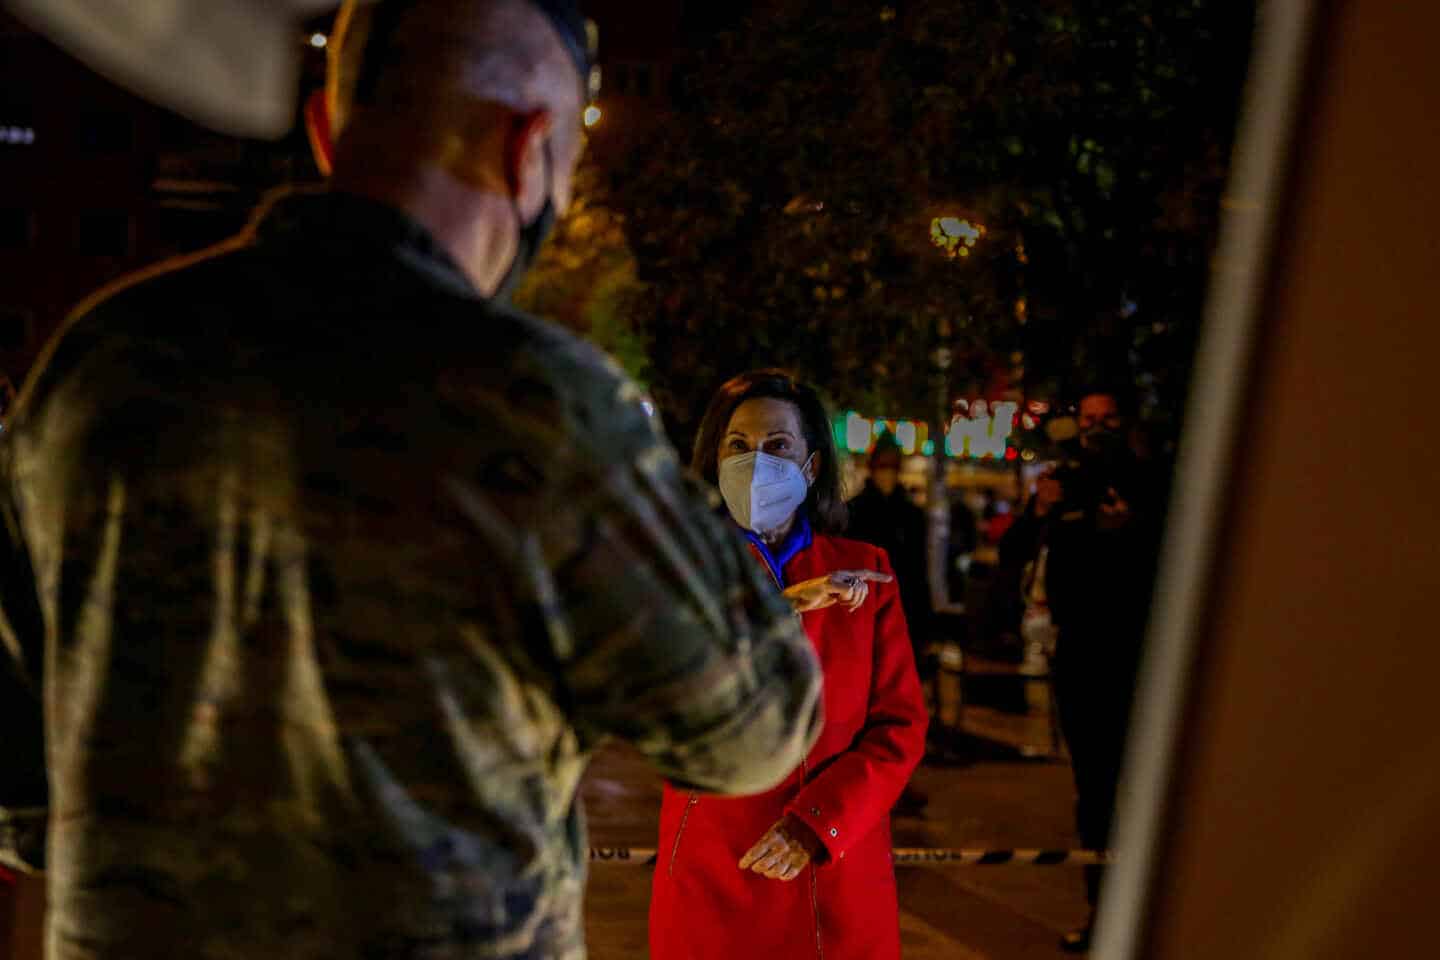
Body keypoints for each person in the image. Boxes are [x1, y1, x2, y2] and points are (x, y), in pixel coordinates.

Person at [0, 3, 824, 957]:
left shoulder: (94, 367)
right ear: (531, 150)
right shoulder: (541, 404)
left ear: (322, 130)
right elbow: (755, 728)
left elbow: (20, 787)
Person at [649, 370, 929, 960]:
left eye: (778, 446)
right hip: (713, 870)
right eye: (738, 446)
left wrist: (818, 824)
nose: (758, 462)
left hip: (835, 874)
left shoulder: (867, 570)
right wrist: (779, 611)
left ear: (811, 465)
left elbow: (900, 728)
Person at [1046, 385, 1167, 952]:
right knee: (1092, 795)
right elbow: (1036, 556)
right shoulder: (1066, 485)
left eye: (1107, 417)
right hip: (1080, 663)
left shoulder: (1152, 486)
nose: (1096, 428)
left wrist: (1129, 532)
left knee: (1139, 790)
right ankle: (1102, 914)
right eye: (1087, 418)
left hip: (1136, 662)